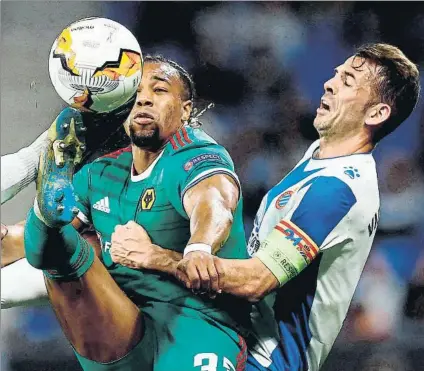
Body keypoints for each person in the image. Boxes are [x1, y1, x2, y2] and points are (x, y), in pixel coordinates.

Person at [2, 43, 420, 370]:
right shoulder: (323, 156)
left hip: (264, 358)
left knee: (96, 255)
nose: (330, 82)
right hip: (218, 325)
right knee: (88, 246)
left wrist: (164, 256)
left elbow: (256, 279)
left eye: (349, 81)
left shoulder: (336, 189)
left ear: (378, 112)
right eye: (336, 73)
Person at [18, 55, 250, 371]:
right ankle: (44, 209)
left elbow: (214, 201)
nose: (143, 98)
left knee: (70, 243)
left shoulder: (196, 154)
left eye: (159, 90)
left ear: (185, 110)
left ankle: (46, 210)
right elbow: (23, 245)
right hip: (122, 323)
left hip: (198, 321)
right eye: (135, 92)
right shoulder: (100, 172)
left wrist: (199, 248)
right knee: (58, 245)